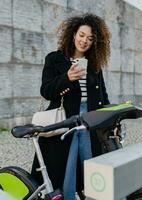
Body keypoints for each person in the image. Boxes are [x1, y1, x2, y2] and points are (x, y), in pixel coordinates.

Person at [31, 13, 111, 200]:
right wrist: (67, 78)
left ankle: (89, 194)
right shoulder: (54, 59)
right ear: (74, 34)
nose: (84, 41)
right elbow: (46, 91)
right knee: (64, 167)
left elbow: (102, 95)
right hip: (65, 119)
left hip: (89, 120)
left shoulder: (94, 65)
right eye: (82, 35)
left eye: (90, 38)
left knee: (89, 161)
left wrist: (109, 117)